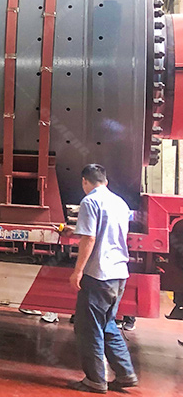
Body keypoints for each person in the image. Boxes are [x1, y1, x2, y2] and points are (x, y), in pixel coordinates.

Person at [66, 164, 138, 393]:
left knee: (88, 328)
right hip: (118, 274)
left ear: (84, 181)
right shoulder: (119, 202)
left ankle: (95, 380)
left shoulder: (89, 202)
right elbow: (107, 231)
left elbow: (90, 238)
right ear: (105, 182)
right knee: (107, 324)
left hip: (98, 275)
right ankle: (125, 373)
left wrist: (78, 271)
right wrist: (73, 231)